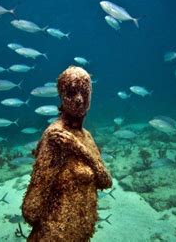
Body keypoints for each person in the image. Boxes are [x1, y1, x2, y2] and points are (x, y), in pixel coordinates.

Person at [22, 66, 112, 242]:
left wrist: (79, 149)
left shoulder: (86, 137)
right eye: (71, 92)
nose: (79, 99)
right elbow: (31, 209)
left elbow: (106, 181)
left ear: (91, 95)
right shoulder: (56, 138)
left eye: (84, 92)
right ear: (61, 96)